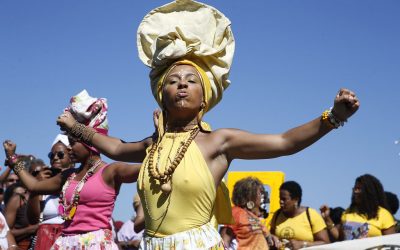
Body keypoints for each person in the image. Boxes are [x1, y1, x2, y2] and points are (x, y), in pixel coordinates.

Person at [56, 1, 359, 249]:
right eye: (173, 81)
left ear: (205, 98)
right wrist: (75, 128)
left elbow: (284, 142)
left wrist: (333, 117)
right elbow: (115, 147)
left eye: (191, 81)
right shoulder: (154, 144)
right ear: (162, 95)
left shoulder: (219, 142)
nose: (182, 86)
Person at [3, 90, 142, 249]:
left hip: (95, 244)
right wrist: (13, 159)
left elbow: (144, 169)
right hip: (66, 243)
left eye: (73, 142)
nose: (69, 148)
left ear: (89, 141)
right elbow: (34, 186)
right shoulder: (68, 176)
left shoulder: (111, 171)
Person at [26, 134, 74, 250]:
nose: (55, 158)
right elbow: (32, 220)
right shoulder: (43, 184)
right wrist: (36, 187)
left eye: (60, 154)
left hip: (71, 239)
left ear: (72, 157)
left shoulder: (79, 181)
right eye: (51, 155)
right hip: (46, 241)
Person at [322, 174, 396, 241]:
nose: (355, 192)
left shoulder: (384, 215)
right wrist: (327, 218)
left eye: (359, 189)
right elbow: (340, 237)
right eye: (355, 189)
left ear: (369, 191)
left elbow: (391, 243)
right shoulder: (349, 212)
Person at [269, 181, 330, 249]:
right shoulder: (277, 215)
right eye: (280, 198)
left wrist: (303, 244)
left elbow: (326, 243)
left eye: (284, 199)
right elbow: (271, 236)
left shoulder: (311, 215)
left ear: (296, 200)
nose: (280, 202)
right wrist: (272, 239)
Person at [220, 177, 274, 250]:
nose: (262, 197)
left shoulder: (254, 217)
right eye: (259, 193)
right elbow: (224, 241)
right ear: (250, 196)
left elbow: (268, 238)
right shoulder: (236, 212)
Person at [3, 183, 38, 250]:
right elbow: (5, 232)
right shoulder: (16, 201)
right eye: (17, 194)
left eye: (25, 192)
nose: (23, 196)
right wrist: (31, 229)